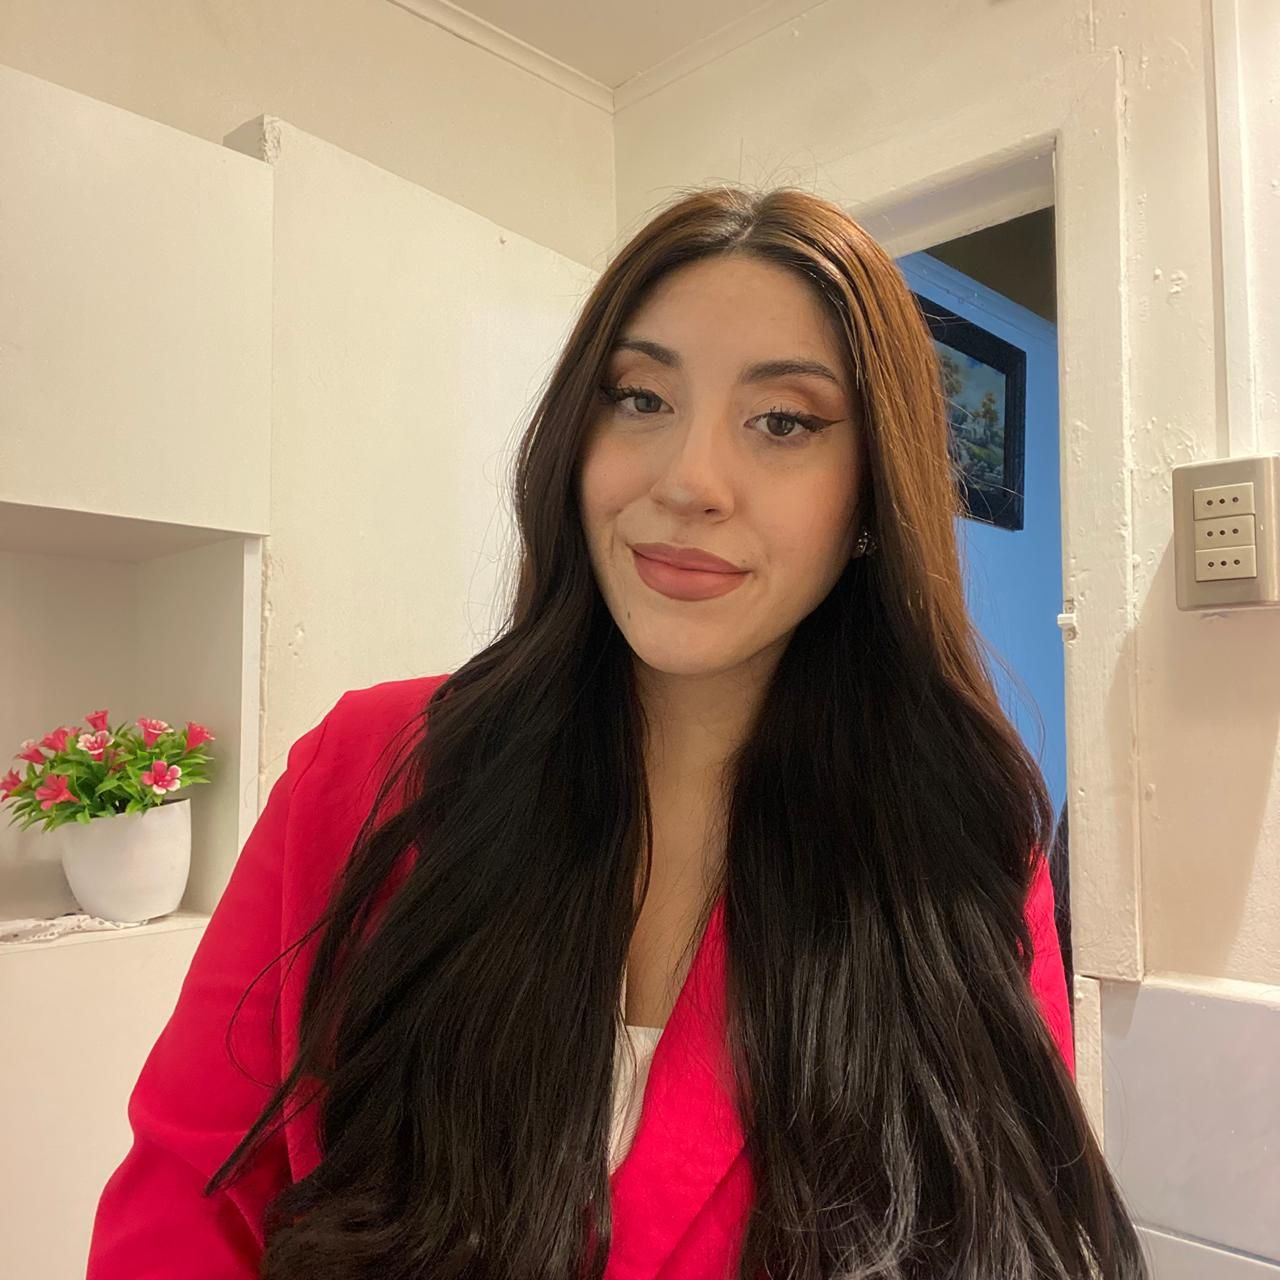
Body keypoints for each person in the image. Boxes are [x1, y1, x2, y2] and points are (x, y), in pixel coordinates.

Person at [86, 185, 1148, 1279]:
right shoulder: (367, 766)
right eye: (640, 398)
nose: (687, 481)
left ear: (872, 494)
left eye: (783, 421)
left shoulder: (958, 838)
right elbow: (180, 1212)